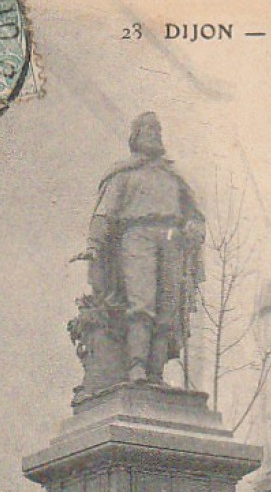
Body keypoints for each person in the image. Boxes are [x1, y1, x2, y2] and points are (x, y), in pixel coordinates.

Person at [82, 111, 205, 381]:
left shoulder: (173, 177)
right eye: (147, 130)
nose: (153, 134)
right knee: (142, 302)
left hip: (172, 239)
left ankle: (156, 371)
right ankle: (136, 365)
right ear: (135, 136)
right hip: (137, 236)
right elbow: (105, 212)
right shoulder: (125, 174)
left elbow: (194, 213)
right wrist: (94, 243)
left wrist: (195, 227)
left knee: (168, 307)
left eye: (157, 130)